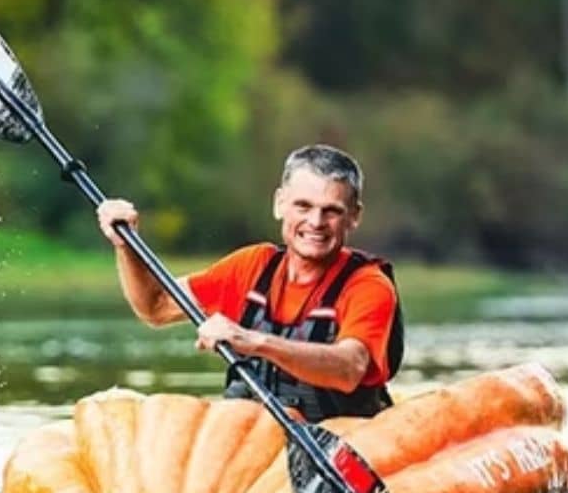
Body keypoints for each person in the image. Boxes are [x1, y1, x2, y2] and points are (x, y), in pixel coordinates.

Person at [95, 144, 402, 422]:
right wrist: (126, 244)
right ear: (280, 204)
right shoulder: (252, 267)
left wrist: (255, 342)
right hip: (251, 447)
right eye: (303, 206)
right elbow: (155, 306)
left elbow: (350, 368)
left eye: (332, 211)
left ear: (354, 216)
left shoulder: (368, 285)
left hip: (339, 450)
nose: (316, 222)